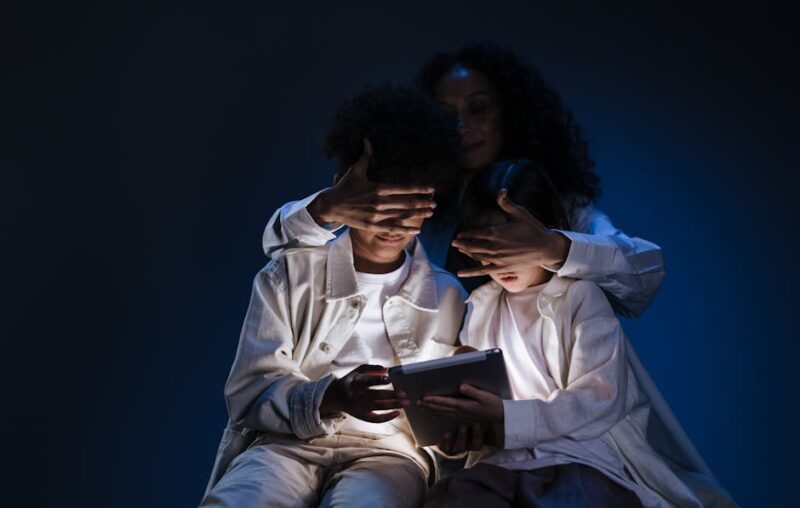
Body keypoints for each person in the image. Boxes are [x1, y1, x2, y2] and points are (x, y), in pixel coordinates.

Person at [201, 84, 467, 508]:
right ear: (348, 193)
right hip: (285, 443)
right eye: (382, 202)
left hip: (389, 453)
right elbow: (249, 391)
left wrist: (455, 427)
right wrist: (332, 397)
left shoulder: (448, 296)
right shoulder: (291, 274)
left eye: (413, 203)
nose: (395, 221)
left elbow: (448, 423)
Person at [260, 40, 664, 318]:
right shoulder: (412, 206)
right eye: (446, 114)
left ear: (509, 112)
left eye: (478, 107)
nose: (462, 126)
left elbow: (644, 276)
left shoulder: (556, 203)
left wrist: (552, 246)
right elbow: (280, 253)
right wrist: (324, 207)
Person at [419, 160, 718, 507]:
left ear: (543, 233)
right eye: (489, 248)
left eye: (512, 247)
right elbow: (481, 406)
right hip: (501, 463)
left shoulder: (580, 297)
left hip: (579, 459)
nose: (502, 261)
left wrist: (509, 416)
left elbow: (597, 399)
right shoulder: (481, 307)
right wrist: (462, 433)